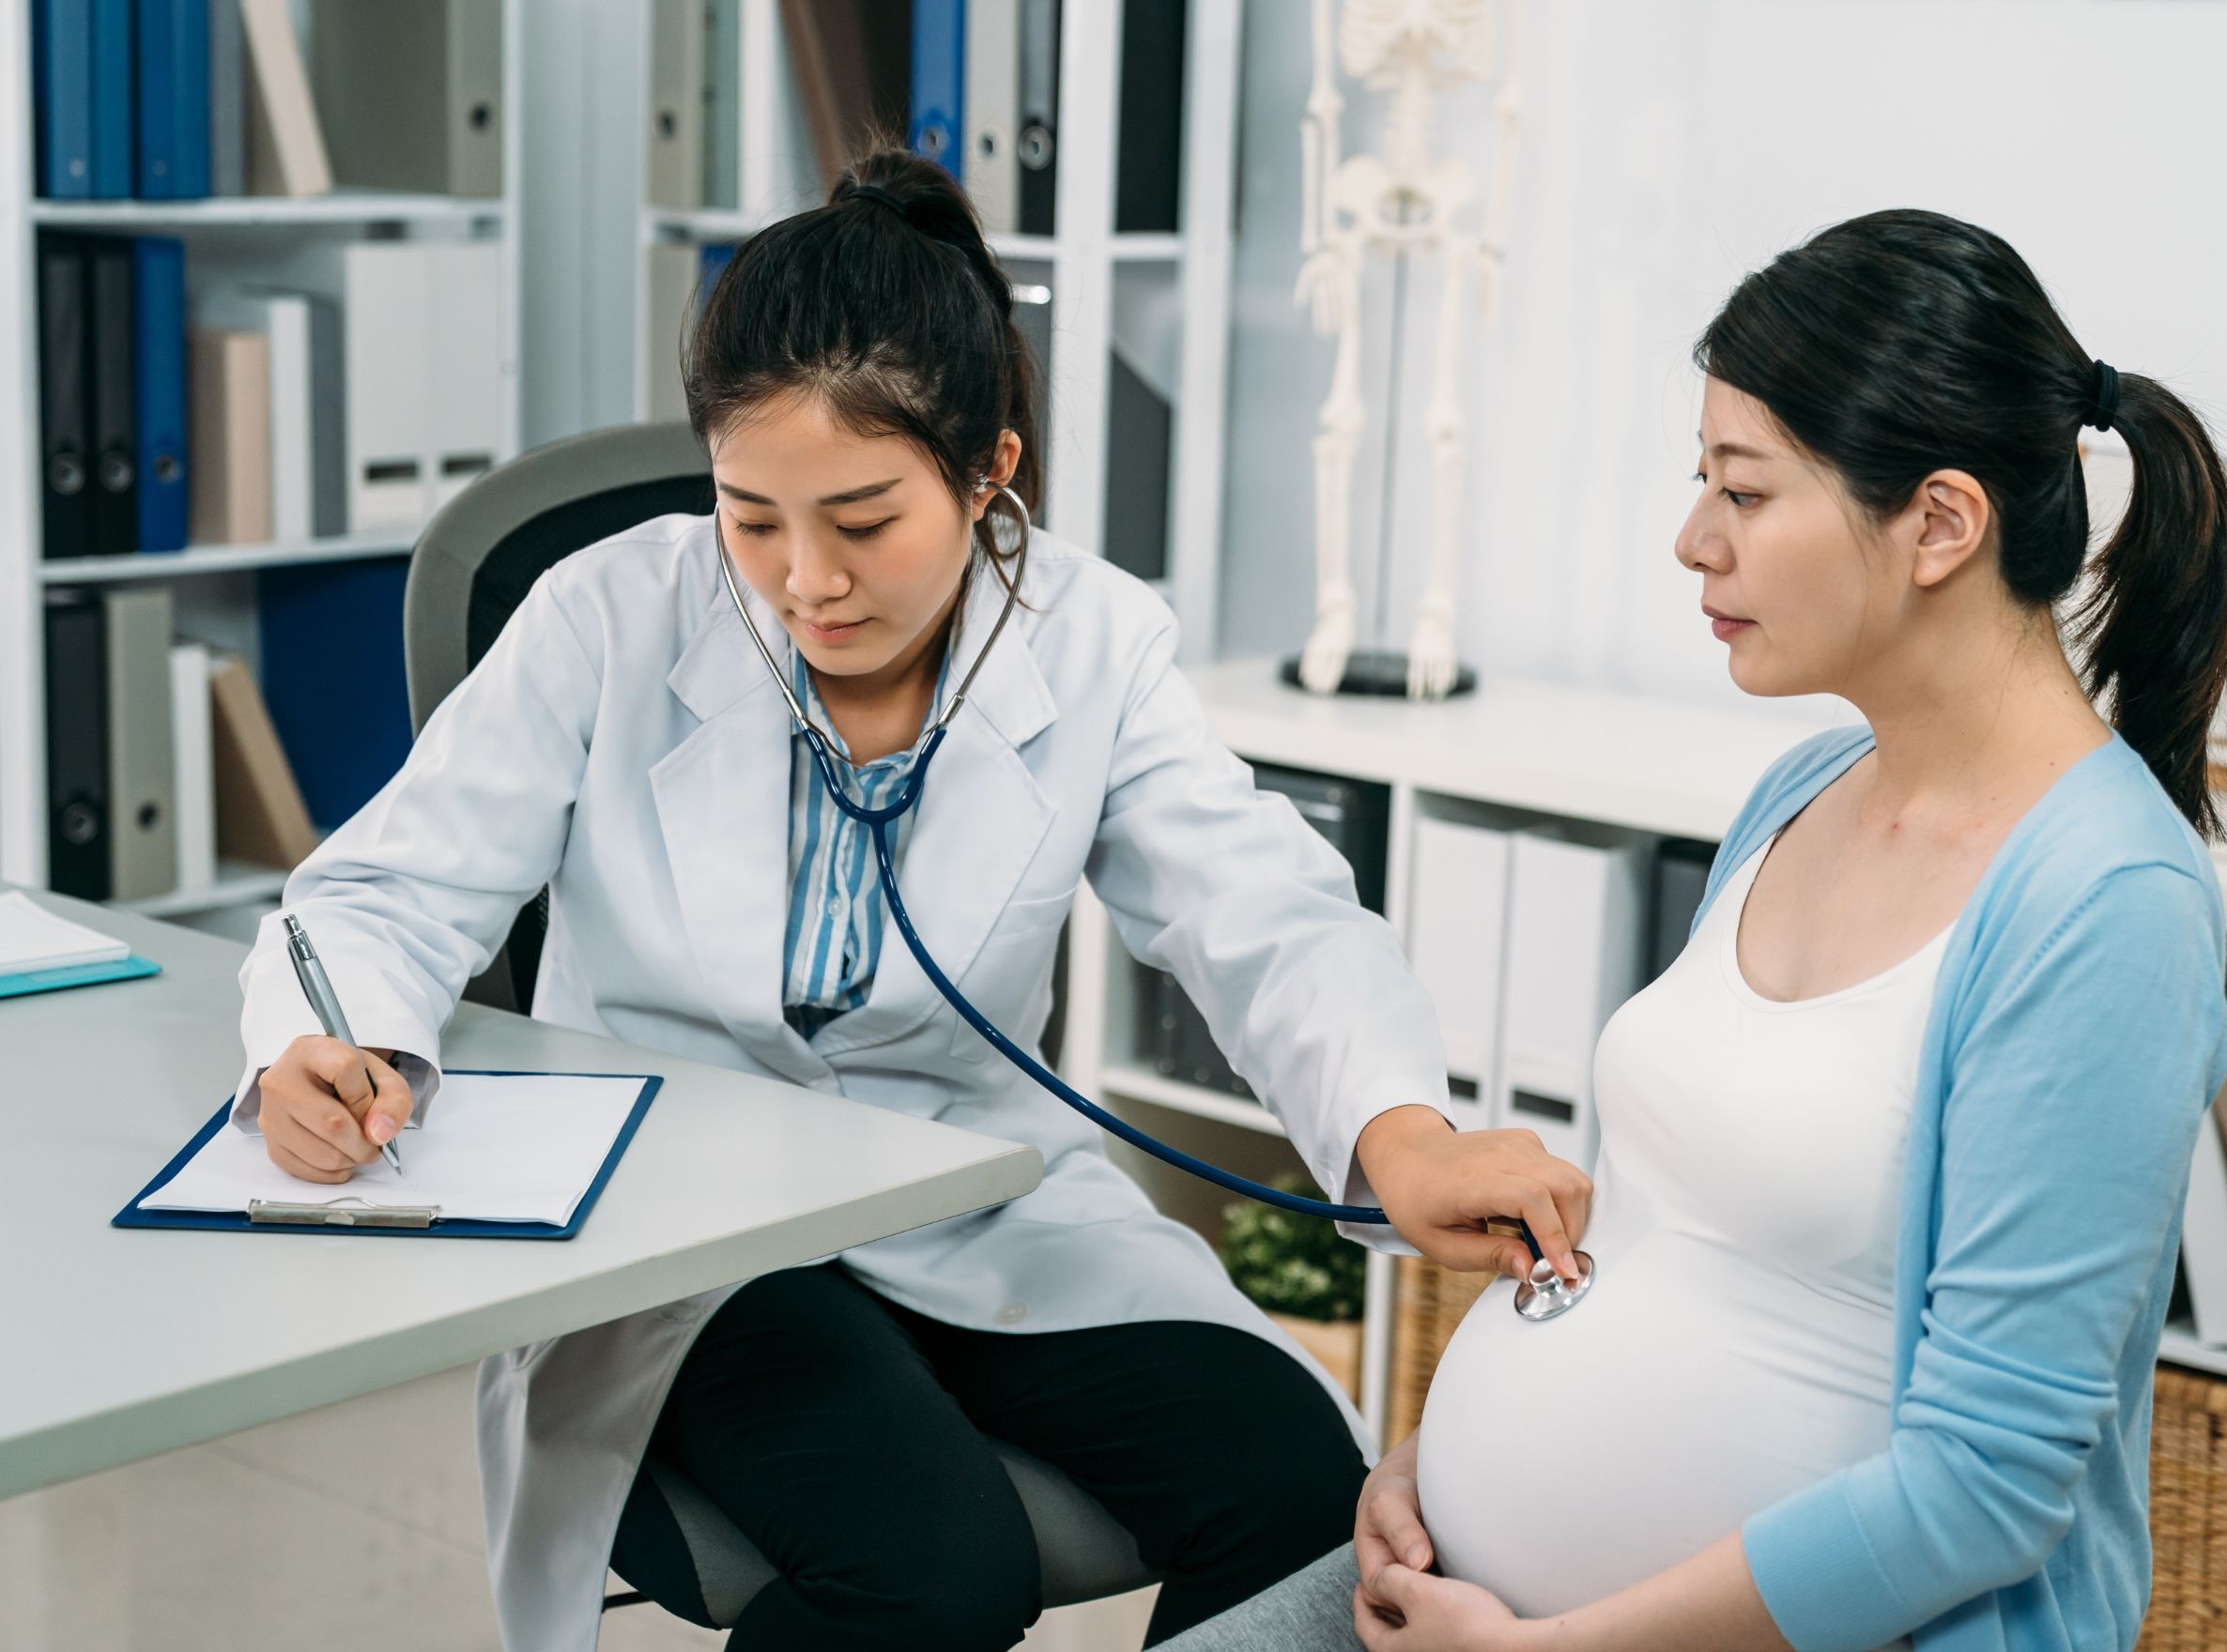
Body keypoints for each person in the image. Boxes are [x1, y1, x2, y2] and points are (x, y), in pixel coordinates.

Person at [224, 146, 1593, 1652]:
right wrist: (319, 1046)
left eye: (865, 522)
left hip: (969, 1192)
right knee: (937, 1567)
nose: (805, 581)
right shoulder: (610, 615)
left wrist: (1400, 1133)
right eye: (752, 517)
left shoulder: (1091, 643)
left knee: (1294, 1491)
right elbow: (389, 889)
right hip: (686, 1224)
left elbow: (1263, 914)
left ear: (989, 469)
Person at [1160, 207, 2227, 1652]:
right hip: (1470, 1593)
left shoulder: (2109, 910)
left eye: (1744, 492)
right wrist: (1432, 1475)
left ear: (1939, 523)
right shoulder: (1805, 790)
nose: (1693, 540)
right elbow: (1681, 1236)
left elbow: (1987, 1488)